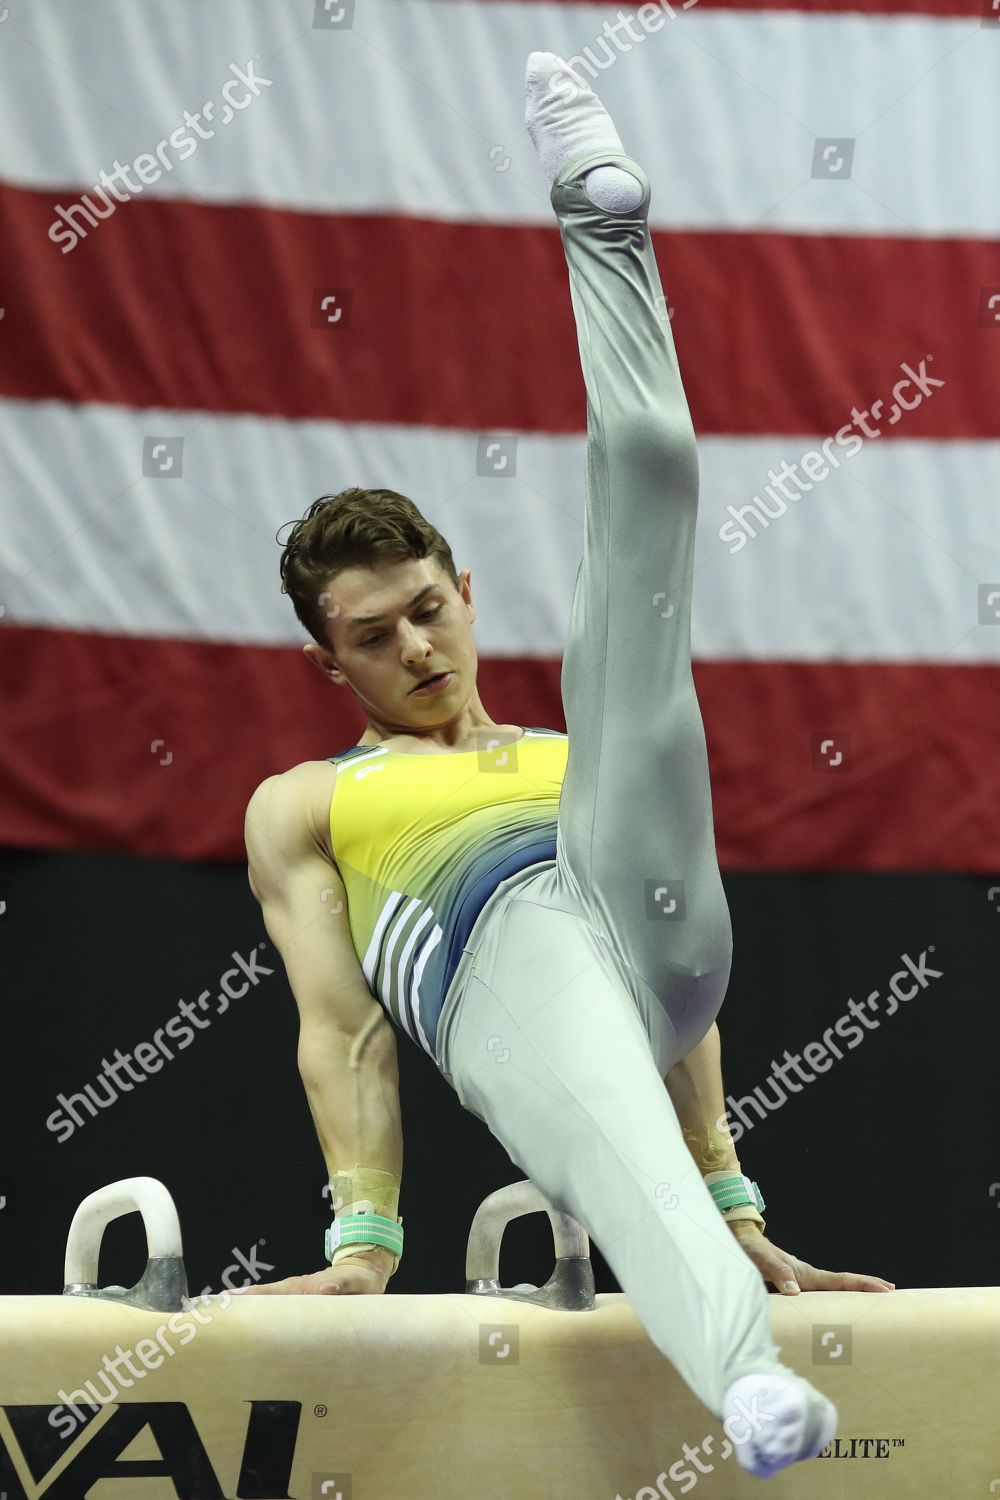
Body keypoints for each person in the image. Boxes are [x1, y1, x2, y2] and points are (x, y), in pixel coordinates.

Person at [240, 53, 893, 1479]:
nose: (417, 645)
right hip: (502, 971)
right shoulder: (305, 805)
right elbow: (341, 1025)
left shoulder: (568, 752)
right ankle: (753, 1389)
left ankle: (602, 216)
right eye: (374, 634)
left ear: (464, 590)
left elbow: (678, 1022)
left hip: (641, 928)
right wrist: (365, 1244)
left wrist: (737, 1198)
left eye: (430, 607)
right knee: (609, 1128)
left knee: (650, 497)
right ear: (326, 661)